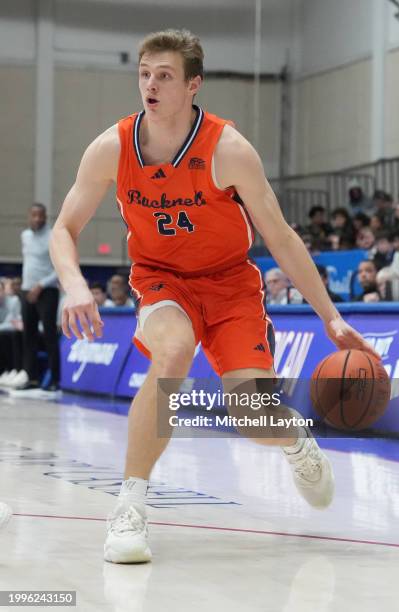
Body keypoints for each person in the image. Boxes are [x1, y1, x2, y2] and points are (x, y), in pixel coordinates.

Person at [49, 29, 379, 564]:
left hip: (230, 285)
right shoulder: (112, 146)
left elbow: (281, 237)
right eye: (144, 74)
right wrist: (73, 286)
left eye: (165, 76)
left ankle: (294, 439)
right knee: (173, 351)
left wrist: (332, 318)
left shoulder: (228, 149)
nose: (150, 85)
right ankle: (130, 508)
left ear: (193, 85)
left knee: (252, 414)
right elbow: (64, 228)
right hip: (160, 279)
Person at [16, 203, 60, 393]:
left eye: (40, 216)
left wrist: (40, 285)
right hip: (26, 291)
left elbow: (59, 268)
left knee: (49, 336)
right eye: (34, 215)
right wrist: (27, 287)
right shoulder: (25, 236)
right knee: (29, 337)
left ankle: (55, 380)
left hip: (47, 291)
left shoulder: (53, 236)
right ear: (29, 216)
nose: (37, 219)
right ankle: (31, 377)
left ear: (45, 217)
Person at [0, 279, 23, 383]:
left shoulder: (13, 301)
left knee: (7, 335)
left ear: (4, 291)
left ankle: (11, 370)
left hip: (15, 333)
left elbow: (13, 323)